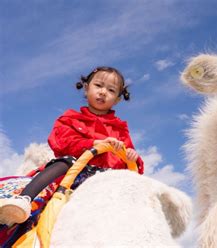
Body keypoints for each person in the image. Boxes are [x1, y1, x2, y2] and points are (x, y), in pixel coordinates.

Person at [0, 66, 144, 225]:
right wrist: (92, 144)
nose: (103, 92)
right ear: (86, 88)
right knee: (66, 161)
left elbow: (131, 160)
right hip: (74, 172)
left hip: (107, 176)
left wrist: (132, 157)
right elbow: (61, 143)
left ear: (117, 99)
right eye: (98, 86)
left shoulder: (120, 129)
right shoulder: (70, 119)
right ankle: (24, 200)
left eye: (111, 90)